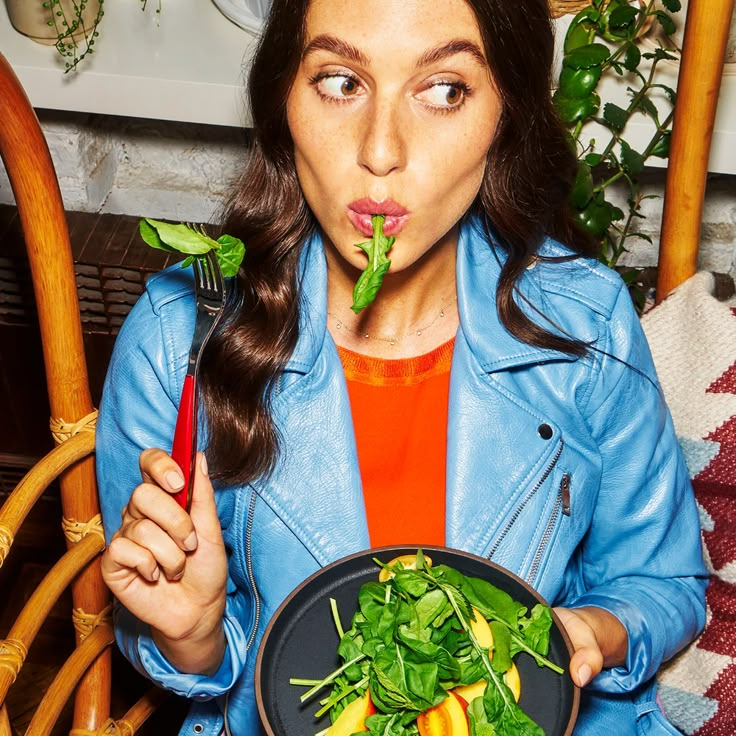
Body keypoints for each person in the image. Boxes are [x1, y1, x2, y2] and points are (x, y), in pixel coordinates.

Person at [96, 0, 708, 734]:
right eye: (339, 82)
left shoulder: (588, 320)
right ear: (282, 99)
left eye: (445, 89)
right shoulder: (176, 344)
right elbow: (180, 637)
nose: (381, 151)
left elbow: (662, 581)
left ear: (504, 114)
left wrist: (591, 633)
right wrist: (191, 640)